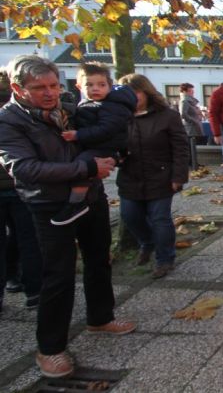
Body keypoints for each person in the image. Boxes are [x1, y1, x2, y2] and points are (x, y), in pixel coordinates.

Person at [0, 55, 135, 379]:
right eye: (40, 88)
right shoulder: (8, 121)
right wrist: (87, 167)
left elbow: (104, 134)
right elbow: (24, 168)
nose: (50, 93)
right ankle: (50, 348)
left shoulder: (71, 108)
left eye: (54, 86)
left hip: (91, 196)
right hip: (49, 205)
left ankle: (100, 317)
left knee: (99, 260)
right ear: (18, 88)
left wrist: (114, 154)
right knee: (58, 275)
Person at [117, 74, 189, 279]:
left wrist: (178, 176)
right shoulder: (119, 116)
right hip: (130, 178)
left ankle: (165, 259)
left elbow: (180, 148)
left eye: (135, 93)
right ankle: (147, 243)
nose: (131, 98)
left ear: (146, 92)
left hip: (161, 177)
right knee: (130, 215)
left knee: (160, 219)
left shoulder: (167, 116)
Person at [53, 62, 136, 226]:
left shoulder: (112, 106)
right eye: (89, 85)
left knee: (83, 166)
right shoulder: (87, 104)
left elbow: (106, 129)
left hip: (105, 147)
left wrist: (78, 135)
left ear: (110, 86)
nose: (95, 89)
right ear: (79, 86)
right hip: (97, 144)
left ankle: (76, 203)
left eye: (101, 85)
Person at [0, 74, 42, 312]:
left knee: (25, 238)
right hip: (20, 187)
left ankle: (18, 282)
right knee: (28, 239)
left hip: (19, 188)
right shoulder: (18, 117)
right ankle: (34, 291)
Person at [178, 83, 204, 170]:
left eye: (192, 90)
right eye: (190, 91)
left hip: (193, 126)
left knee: (192, 145)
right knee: (190, 146)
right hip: (189, 127)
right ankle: (192, 164)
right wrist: (194, 121)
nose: (192, 92)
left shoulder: (190, 101)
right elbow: (183, 114)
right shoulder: (184, 101)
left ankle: (194, 163)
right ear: (184, 91)